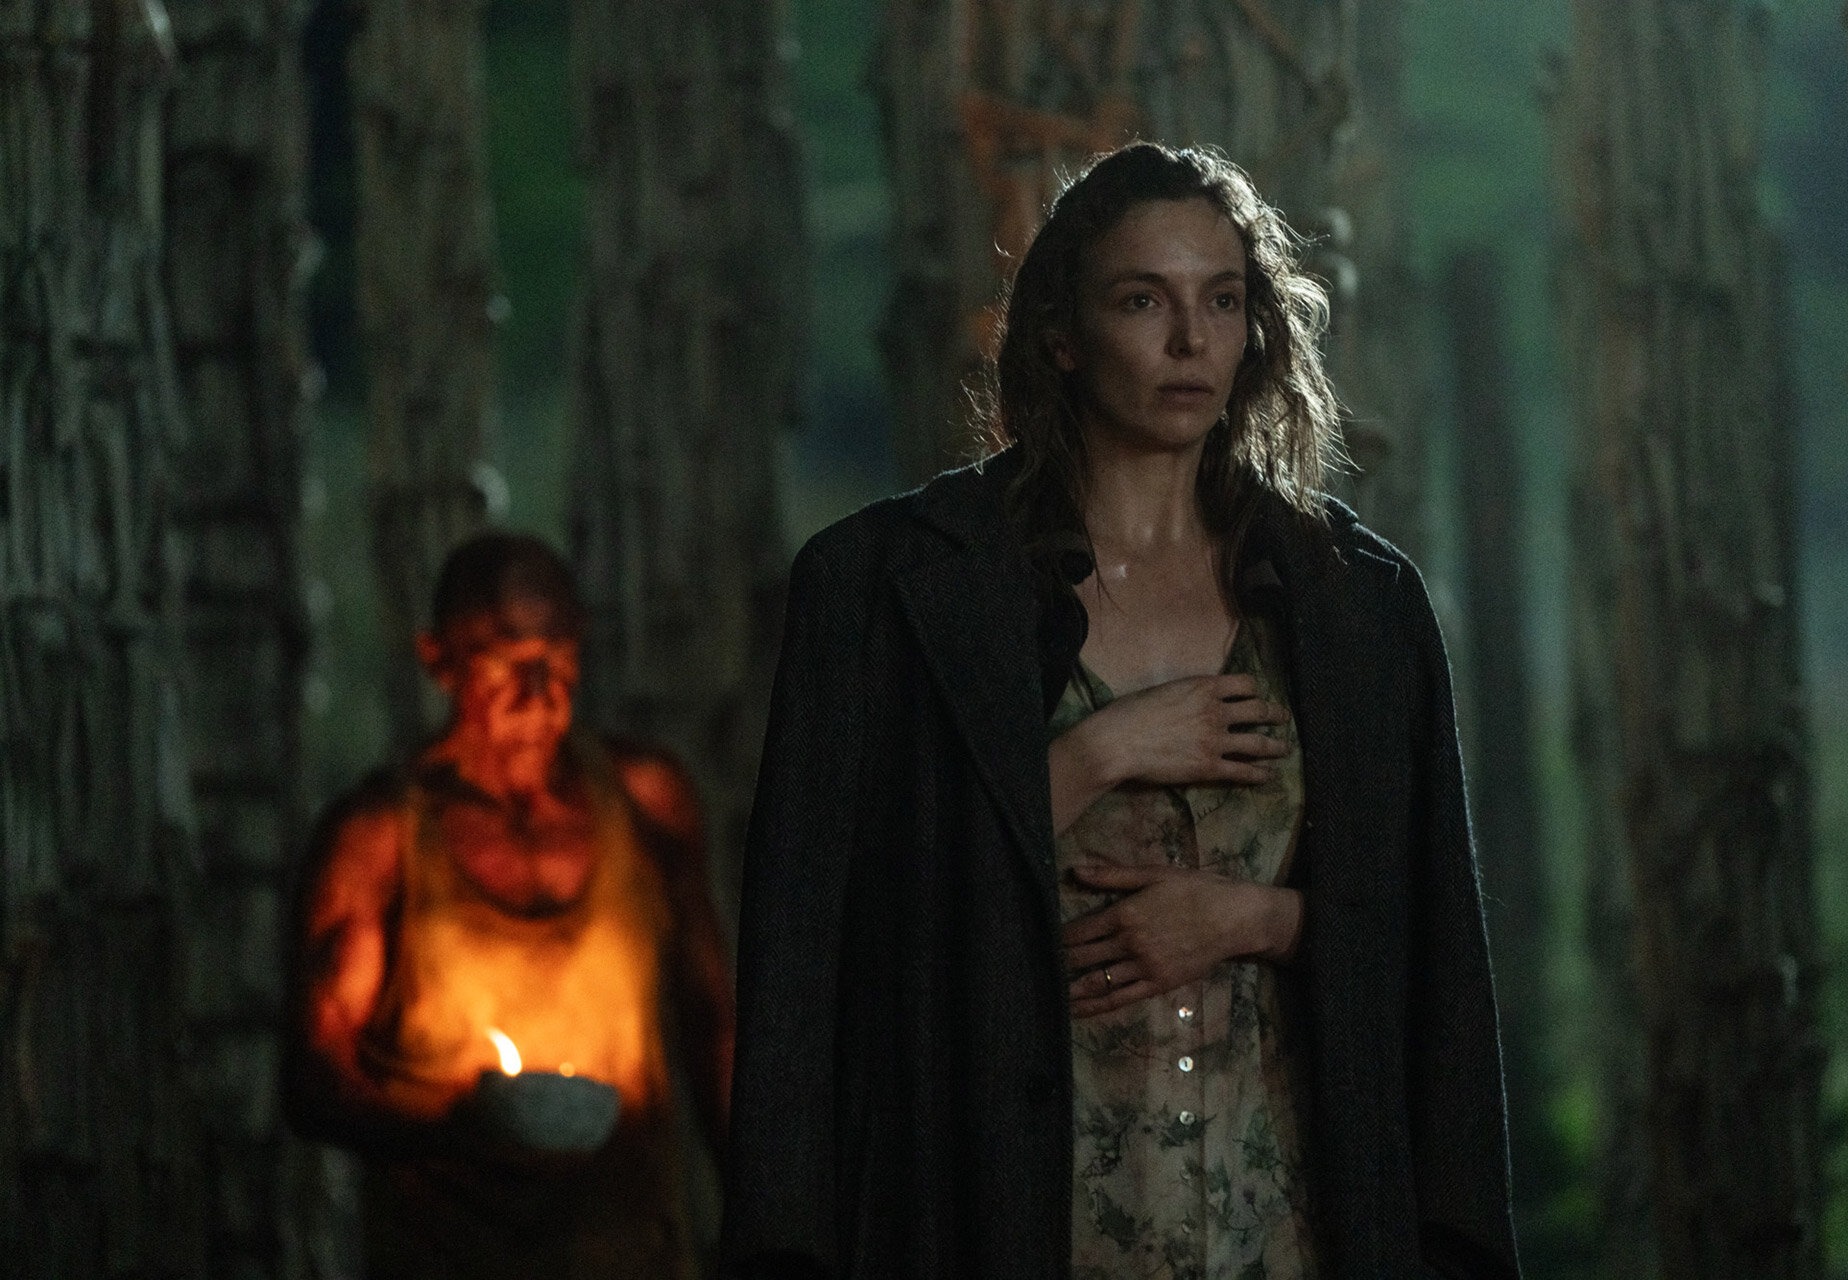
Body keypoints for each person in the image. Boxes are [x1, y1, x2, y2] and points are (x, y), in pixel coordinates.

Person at [722, 143, 1520, 1280]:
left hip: (1286, 1231)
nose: (1190, 340)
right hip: (996, 1222)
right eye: (1143, 300)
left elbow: (1438, 959)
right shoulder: (887, 587)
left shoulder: (1355, 603)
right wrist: (1091, 754)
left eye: (1222, 301)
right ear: (1062, 333)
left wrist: (1256, 920)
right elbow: (816, 953)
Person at [286, 532, 734, 1280]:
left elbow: (713, 1024)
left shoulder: (645, 802)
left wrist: (767, 1215)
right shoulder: (379, 839)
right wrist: (468, 1124)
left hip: (632, 1257)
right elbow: (315, 1082)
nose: (541, 694)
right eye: (506, 663)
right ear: (439, 662)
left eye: (560, 658)